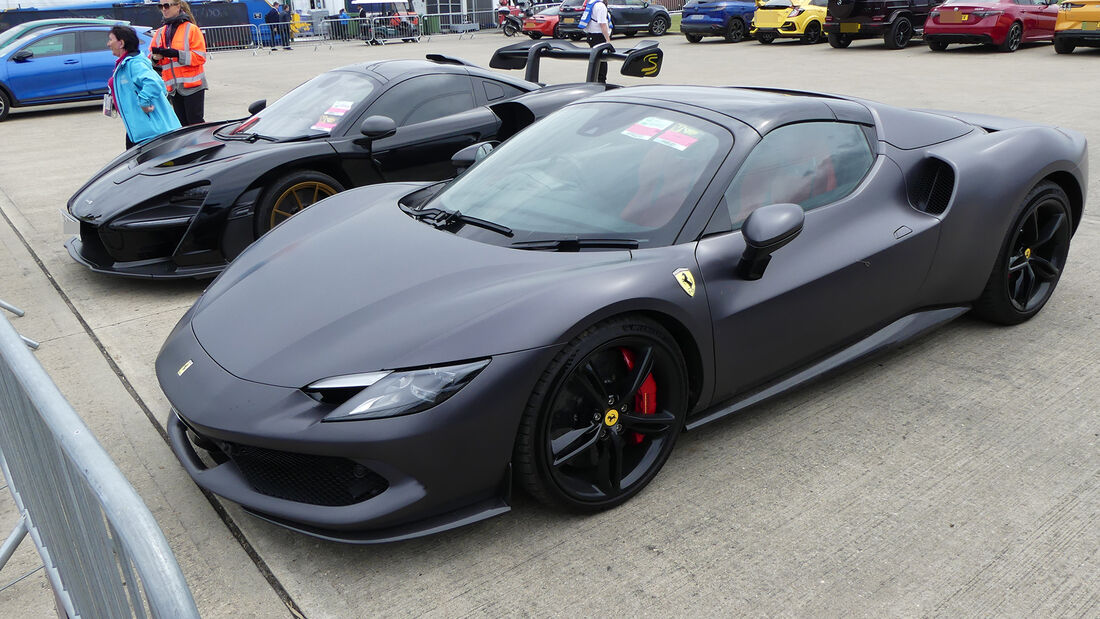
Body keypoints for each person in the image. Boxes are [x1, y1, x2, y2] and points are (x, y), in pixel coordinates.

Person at [106, 25, 180, 149]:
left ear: (121, 43)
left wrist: (144, 102)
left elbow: (154, 83)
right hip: (138, 129)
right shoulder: (124, 64)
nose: (108, 44)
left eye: (110, 40)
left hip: (150, 132)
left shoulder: (134, 64)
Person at [150, 0, 208, 125]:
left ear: (178, 6)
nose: (163, 9)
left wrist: (176, 54)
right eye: (160, 6)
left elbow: (200, 57)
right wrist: (155, 58)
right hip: (173, 89)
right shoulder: (160, 32)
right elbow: (153, 61)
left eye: (167, 6)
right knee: (181, 125)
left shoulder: (192, 29)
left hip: (193, 86)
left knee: (195, 123)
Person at [579, 0, 612, 81]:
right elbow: (602, 24)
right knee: (602, 62)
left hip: (591, 36)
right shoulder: (600, 6)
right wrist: (608, 39)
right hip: (599, 36)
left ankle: (594, 81)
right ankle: (601, 83)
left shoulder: (592, 3)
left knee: (595, 61)